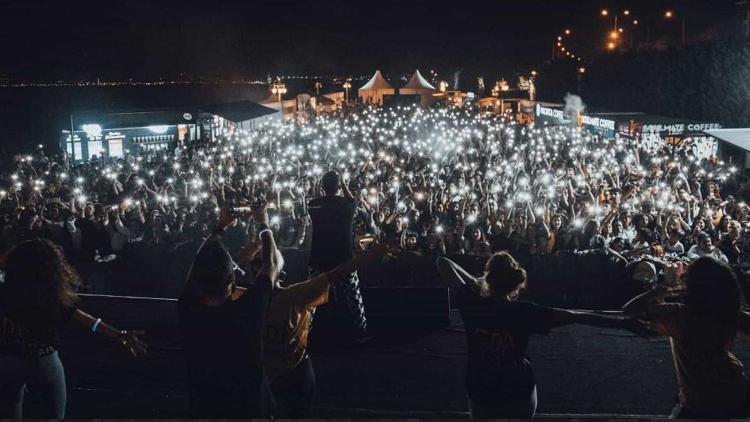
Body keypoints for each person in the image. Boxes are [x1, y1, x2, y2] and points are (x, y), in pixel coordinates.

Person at [437, 252, 643, 418]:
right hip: (517, 387)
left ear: (488, 278)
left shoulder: (472, 304)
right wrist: (622, 323)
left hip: (481, 385)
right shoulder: (526, 312)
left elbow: (443, 262)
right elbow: (577, 316)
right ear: (515, 283)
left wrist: (476, 283)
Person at [0, 239, 146, 419]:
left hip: (8, 361)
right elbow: (88, 321)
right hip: (43, 359)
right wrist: (119, 335)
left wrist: (12, 258)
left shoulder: (5, 292)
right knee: (53, 415)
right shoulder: (51, 298)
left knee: (10, 410)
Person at [264, 243, 389, 417]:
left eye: (266, 263)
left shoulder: (287, 296)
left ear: (281, 274)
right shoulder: (259, 298)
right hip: (279, 375)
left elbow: (337, 274)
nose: (263, 268)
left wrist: (369, 256)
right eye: (258, 262)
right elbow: (339, 273)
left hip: (286, 376)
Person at [178, 203, 278, 418]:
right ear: (233, 282)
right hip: (249, 411)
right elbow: (271, 265)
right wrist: (263, 222)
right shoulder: (248, 311)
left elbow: (196, 267)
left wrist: (219, 229)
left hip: (206, 409)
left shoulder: (188, 311)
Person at [623, 257, 750, 418]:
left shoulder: (679, 315)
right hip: (733, 391)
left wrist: (662, 288)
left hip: (697, 398)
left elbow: (629, 309)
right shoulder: (730, 314)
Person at [308, 170, 367, 341]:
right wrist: (343, 183)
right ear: (338, 186)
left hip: (319, 257)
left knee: (311, 295)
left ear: (322, 186)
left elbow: (314, 200)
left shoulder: (314, 204)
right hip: (344, 258)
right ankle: (361, 330)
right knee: (354, 295)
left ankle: (305, 330)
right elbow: (353, 200)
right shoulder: (347, 205)